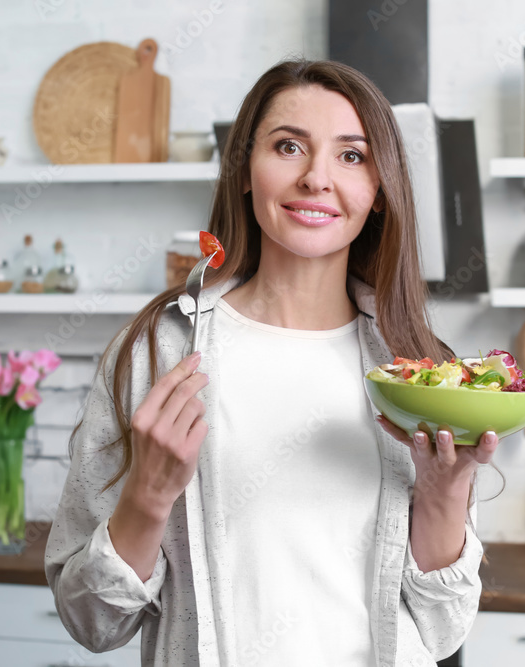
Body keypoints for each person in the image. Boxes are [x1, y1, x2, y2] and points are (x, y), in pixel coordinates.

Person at [45, 58, 499, 667]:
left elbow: (442, 630)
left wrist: (445, 497)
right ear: (243, 172)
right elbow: (90, 621)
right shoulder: (158, 351)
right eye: (289, 146)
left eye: (352, 155)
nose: (316, 178)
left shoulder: (420, 371)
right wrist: (147, 499)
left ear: (380, 192)